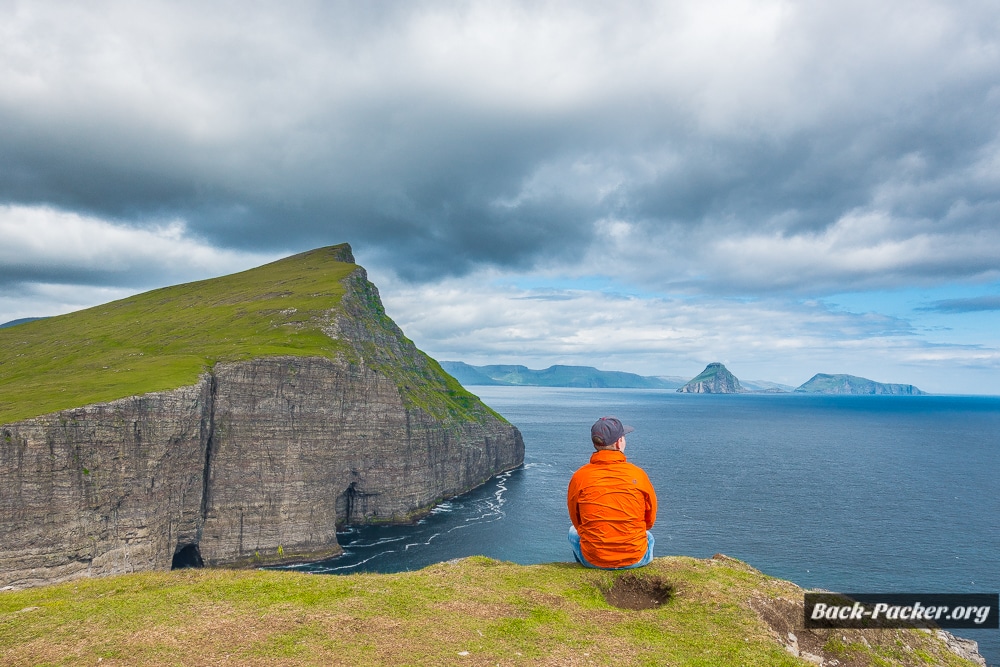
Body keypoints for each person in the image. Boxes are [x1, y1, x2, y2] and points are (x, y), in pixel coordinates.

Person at [567, 416, 657, 569]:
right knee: (648, 536)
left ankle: (590, 567)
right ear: (619, 442)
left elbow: (577, 522)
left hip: (593, 559)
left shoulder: (579, 477)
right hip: (635, 558)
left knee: (572, 532)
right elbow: (649, 520)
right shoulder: (638, 475)